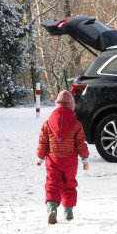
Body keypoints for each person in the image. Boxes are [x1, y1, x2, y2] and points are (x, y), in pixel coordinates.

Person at [36, 90, 89, 224]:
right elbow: (80, 143)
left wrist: (40, 157)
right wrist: (85, 159)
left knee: (53, 183)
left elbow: (43, 141)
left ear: (57, 105)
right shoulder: (76, 124)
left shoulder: (47, 123)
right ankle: (68, 212)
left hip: (53, 159)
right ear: (72, 106)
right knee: (69, 184)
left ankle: (52, 208)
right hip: (70, 160)